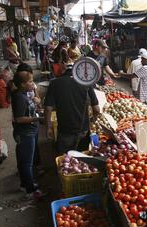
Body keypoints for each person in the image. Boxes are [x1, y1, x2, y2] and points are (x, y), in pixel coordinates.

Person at [44, 64, 100, 154]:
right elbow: (96, 109)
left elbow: (48, 108)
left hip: (65, 131)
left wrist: (48, 127)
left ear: (63, 71)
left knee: (65, 161)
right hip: (83, 130)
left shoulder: (54, 83)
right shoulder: (85, 82)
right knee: (82, 161)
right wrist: (92, 120)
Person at [10, 71, 45, 200]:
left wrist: (36, 107)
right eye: (30, 82)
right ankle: (30, 191)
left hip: (30, 131)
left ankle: (26, 184)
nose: (33, 84)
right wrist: (38, 119)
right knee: (27, 163)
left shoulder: (24, 94)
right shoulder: (19, 97)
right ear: (23, 84)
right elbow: (19, 119)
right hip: (25, 133)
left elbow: (27, 110)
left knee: (25, 161)